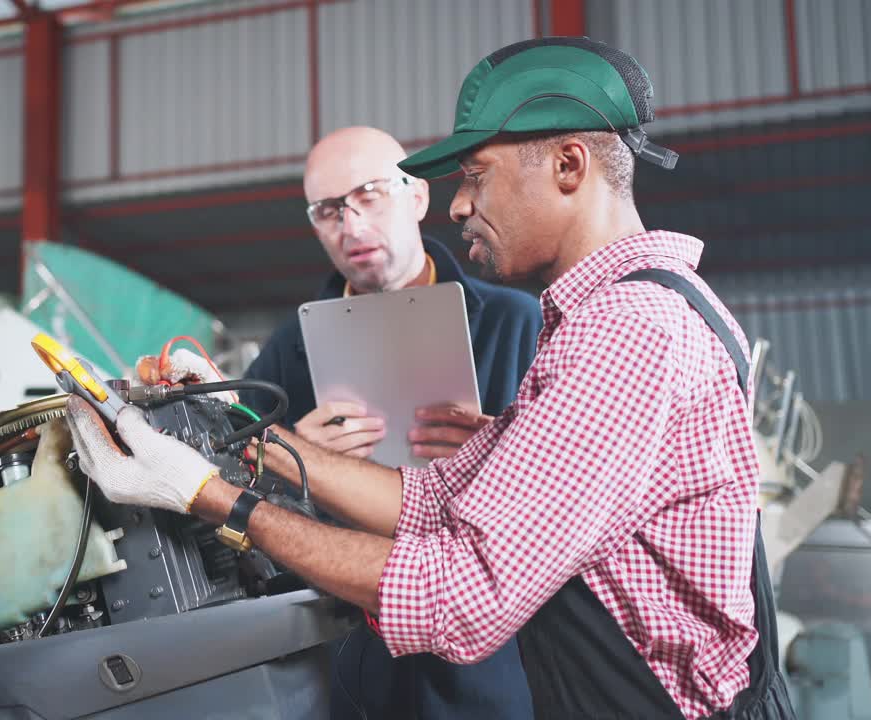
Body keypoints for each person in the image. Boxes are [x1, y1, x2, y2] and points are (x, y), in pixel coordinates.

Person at [68, 37, 795, 720]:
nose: (458, 205)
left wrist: (208, 495)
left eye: (476, 176)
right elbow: (435, 497)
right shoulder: (602, 317)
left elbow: (458, 595)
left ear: (571, 166)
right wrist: (236, 426)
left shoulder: (628, 333)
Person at [239, 125, 541, 718]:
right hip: (344, 662)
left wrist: (496, 449)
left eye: (370, 194)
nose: (351, 226)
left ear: (419, 197)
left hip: (490, 664)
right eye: (328, 210)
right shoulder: (286, 353)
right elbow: (239, 485)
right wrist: (297, 459)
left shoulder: (516, 323)